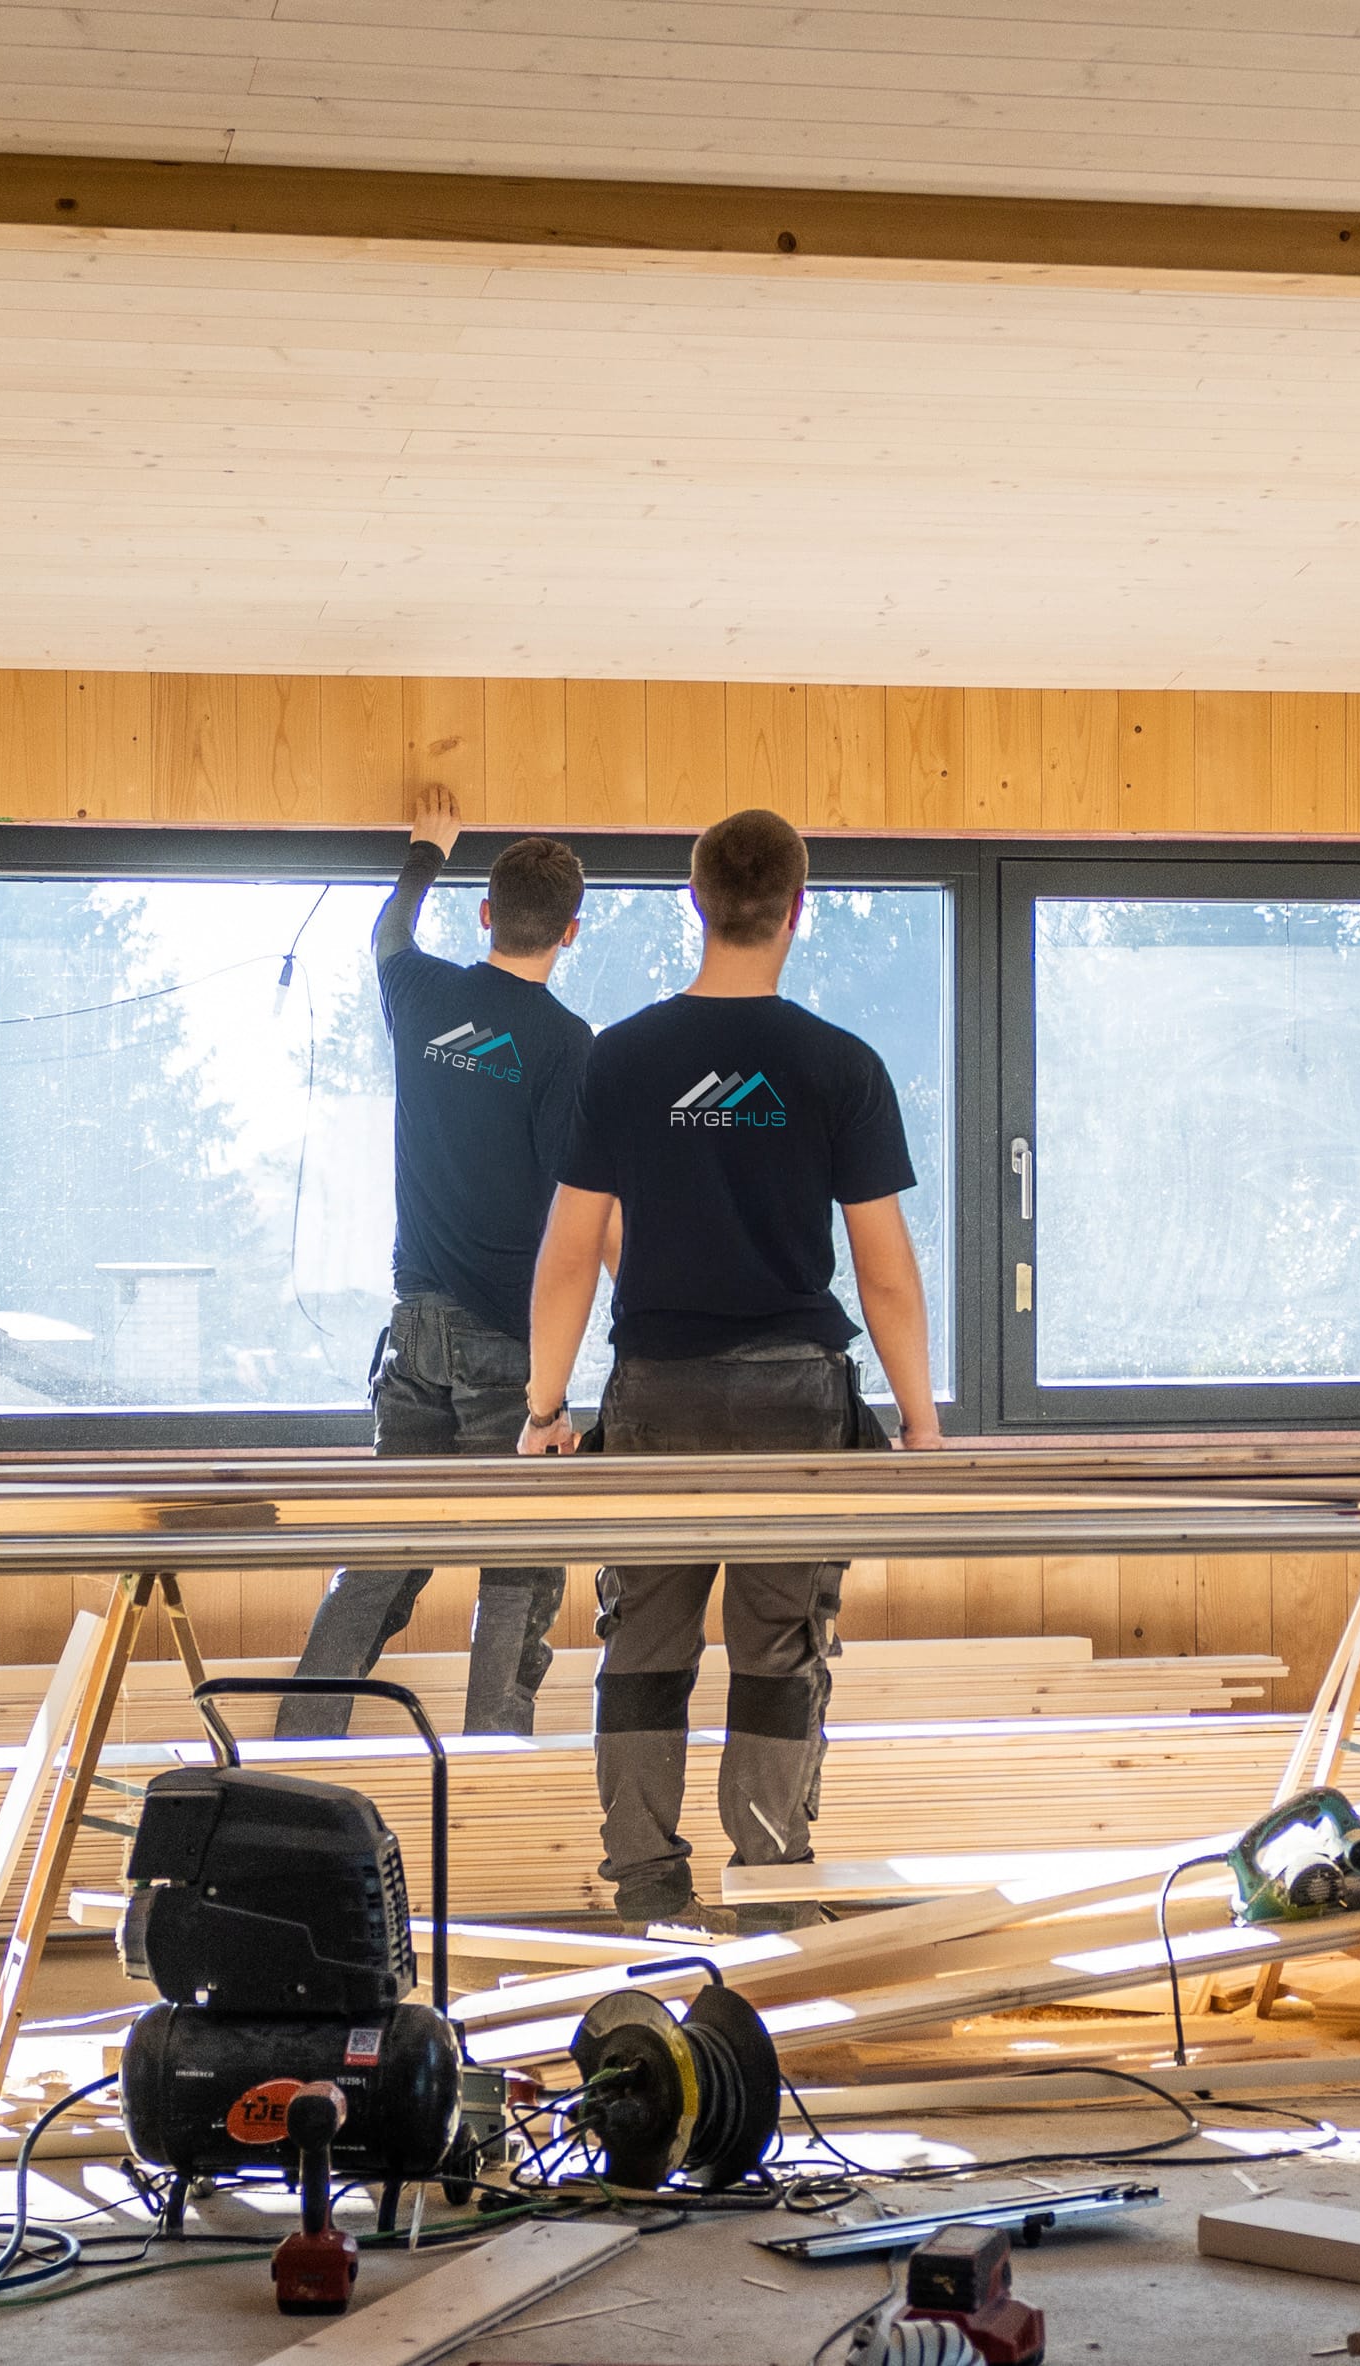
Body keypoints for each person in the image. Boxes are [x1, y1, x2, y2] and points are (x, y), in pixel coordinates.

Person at [519, 806, 941, 1930]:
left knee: (644, 1644)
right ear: (796, 908)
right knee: (777, 1649)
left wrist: (545, 1408)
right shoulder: (837, 1064)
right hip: (794, 1399)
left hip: (654, 1394)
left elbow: (568, 1255)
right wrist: (920, 1422)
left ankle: (649, 1885)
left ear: (694, 901)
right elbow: (885, 1272)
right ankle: (766, 1885)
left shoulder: (623, 1057)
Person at [279, 785, 596, 1741]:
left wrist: (426, 849)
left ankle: (295, 1753)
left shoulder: (421, 996)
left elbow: (388, 932)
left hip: (412, 1330)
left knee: (382, 1553)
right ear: (571, 932)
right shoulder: (567, 1047)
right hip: (507, 1336)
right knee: (519, 1561)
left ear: (489, 914)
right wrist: (551, 1390)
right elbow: (572, 1217)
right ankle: (491, 1759)